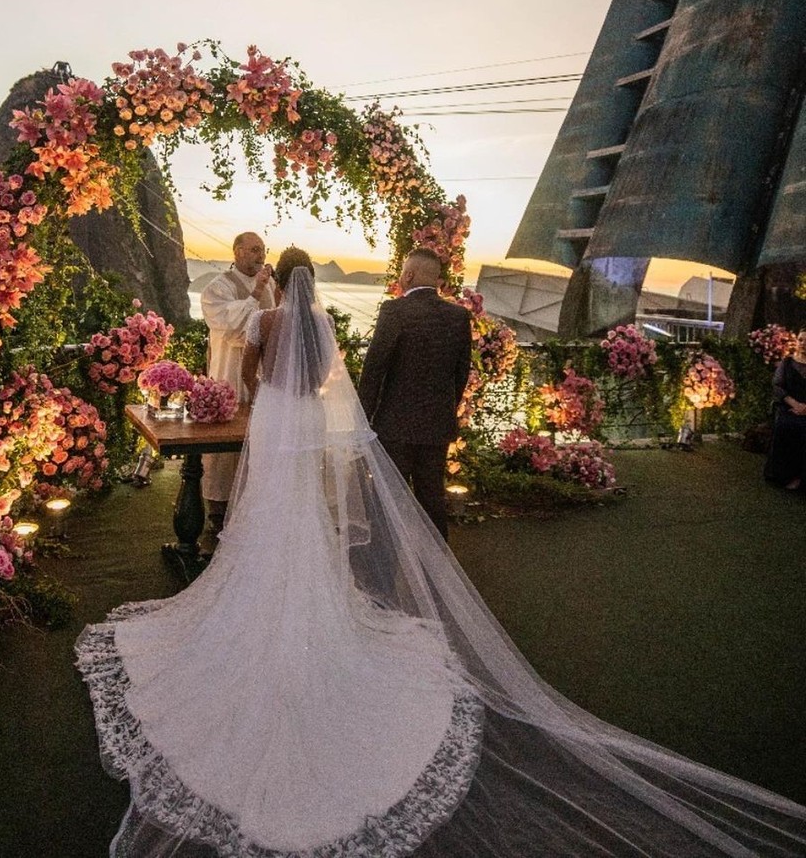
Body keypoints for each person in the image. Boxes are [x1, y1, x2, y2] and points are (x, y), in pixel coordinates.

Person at [77, 255, 806, 857]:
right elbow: (335, 378)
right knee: (311, 511)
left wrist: (276, 389)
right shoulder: (337, 322)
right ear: (314, 284)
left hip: (273, 416)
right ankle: (360, 590)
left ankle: (250, 580)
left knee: (263, 506)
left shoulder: (266, 319)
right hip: (318, 420)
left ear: (277, 279)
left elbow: (265, 375)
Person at [357, 246, 472, 538]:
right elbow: (460, 376)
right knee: (432, 499)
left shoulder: (395, 311)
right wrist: (443, 410)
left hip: (395, 426)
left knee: (387, 501)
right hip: (436, 426)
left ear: (407, 275)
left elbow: (374, 370)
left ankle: (384, 572)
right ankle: (437, 575)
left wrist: (362, 420)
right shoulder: (458, 317)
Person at [198, 231, 275, 531]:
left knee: (259, 440)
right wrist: (255, 294)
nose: (261, 255)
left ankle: (255, 506)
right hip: (229, 374)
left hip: (262, 374)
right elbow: (231, 328)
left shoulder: (270, 287)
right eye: (255, 249)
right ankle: (218, 510)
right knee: (225, 448)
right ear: (237, 251)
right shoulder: (217, 288)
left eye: (263, 250)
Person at [764, 327, 806, 489]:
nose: (803, 344)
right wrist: (794, 404)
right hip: (788, 406)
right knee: (785, 425)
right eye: (801, 340)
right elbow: (777, 387)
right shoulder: (787, 363)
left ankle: (800, 477)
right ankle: (781, 475)